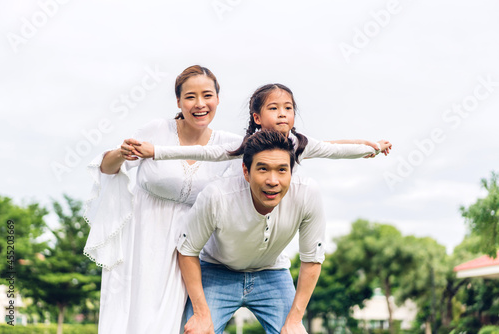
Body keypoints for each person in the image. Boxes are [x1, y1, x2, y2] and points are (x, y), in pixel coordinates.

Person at [83, 65, 243, 334]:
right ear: (179, 101)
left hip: (189, 248)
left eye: (207, 95)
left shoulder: (230, 144)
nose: (200, 104)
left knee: (175, 321)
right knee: (131, 314)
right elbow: (107, 168)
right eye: (190, 96)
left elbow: (274, 152)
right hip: (141, 239)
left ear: (218, 98)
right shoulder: (157, 129)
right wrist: (121, 153)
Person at [177, 129, 326, 334]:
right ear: (246, 171)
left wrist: (295, 320)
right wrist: (201, 314)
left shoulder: (307, 194)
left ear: (292, 172)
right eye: (263, 169)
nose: (273, 181)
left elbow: (312, 259)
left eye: (282, 170)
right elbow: (187, 250)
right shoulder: (217, 196)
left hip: (272, 272)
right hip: (217, 270)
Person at [129, 83, 392, 165]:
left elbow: (332, 148)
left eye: (288, 108)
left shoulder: (297, 144)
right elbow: (204, 152)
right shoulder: (247, 146)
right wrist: (157, 151)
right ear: (257, 118)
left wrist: (371, 146)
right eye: (274, 108)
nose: (282, 114)